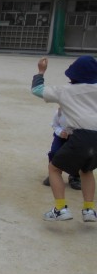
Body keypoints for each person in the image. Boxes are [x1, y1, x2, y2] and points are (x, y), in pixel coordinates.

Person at [31, 55, 97, 222]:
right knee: (87, 171)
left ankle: (60, 209)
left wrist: (41, 71)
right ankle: (89, 209)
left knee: (54, 168)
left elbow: (37, 90)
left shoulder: (66, 90)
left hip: (81, 136)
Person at [42, 108, 81, 190]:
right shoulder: (60, 112)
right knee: (54, 152)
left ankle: (75, 176)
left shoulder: (81, 113)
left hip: (77, 137)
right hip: (61, 136)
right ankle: (54, 173)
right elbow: (55, 125)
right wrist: (60, 132)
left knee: (78, 154)